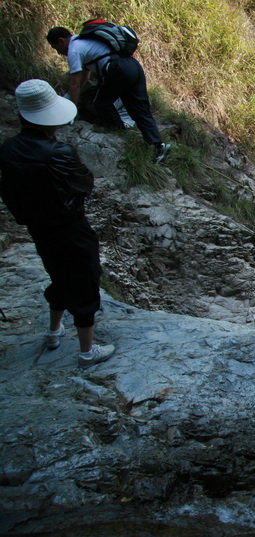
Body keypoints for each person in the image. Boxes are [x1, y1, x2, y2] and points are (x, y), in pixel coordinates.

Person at [0, 79, 115, 368]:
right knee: (85, 279)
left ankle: (54, 332)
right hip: (70, 227)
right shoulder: (58, 153)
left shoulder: (8, 149)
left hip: (38, 228)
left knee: (57, 274)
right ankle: (87, 351)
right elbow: (83, 183)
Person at [46, 25, 170, 164]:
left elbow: (75, 83)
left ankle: (118, 131)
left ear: (61, 41)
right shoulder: (85, 42)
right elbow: (85, 80)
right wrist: (69, 97)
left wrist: (71, 111)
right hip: (133, 66)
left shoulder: (74, 50)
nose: (58, 53)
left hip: (117, 69)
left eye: (55, 48)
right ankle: (158, 146)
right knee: (139, 109)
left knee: (100, 102)